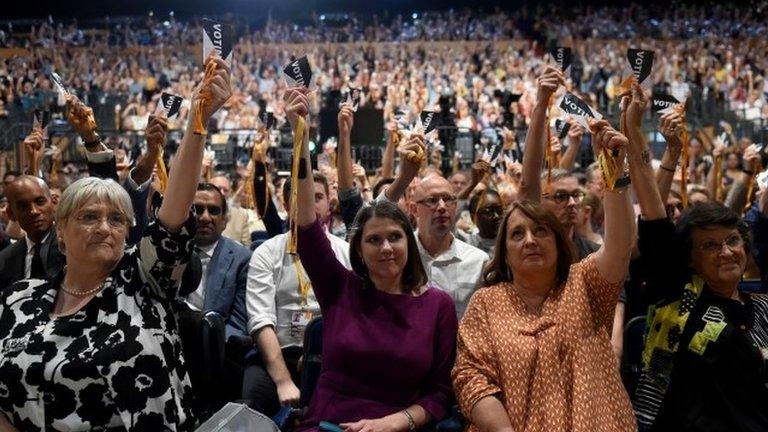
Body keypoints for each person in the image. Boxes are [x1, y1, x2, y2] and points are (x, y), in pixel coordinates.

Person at [0, 54, 232, 430]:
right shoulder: (17, 300)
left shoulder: (144, 282)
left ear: (130, 231)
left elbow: (173, 214)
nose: (105, 227)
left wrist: (197, 121)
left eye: (117, 219)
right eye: (89, 217)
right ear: (60, 231)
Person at [287, 86, 457, 431]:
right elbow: (306, 227)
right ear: (359, 250)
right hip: (327, 425)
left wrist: (393, 422)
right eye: (374, 240)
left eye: (394, 237)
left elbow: (440, 394)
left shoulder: (438, 306)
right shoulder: (340, 288)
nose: (386, 248)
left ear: (408, 242)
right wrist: (300, 139)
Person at [452, 118, 637, 432]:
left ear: (558, 242)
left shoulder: (585, 282)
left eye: (540, 231)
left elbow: (619, 246)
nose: (530, 240)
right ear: (504, 252)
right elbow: (470, 379)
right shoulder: (486, 302)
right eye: (517, 234)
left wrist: (615, 177)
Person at [618, 83, 768, 431]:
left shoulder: (762, 307)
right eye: (710, 246)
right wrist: (636, 132)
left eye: (732, 240)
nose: (727, 251)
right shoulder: (678, 293)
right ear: (687, 258)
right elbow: (653, 213)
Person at [244, 173, 351, 414]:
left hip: (332, 354)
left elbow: (351, 315)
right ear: (285, 205)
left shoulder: (346, 252)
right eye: (300, 197)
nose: (308, 204)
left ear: (328, 203)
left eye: (317, 197)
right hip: (277, 354)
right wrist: (282, 381)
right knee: (254, 396)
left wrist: (320, 352)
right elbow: (261, 321)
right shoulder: (266, 253)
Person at [410, 173, 489, 317]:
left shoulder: (478, 262)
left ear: (456, 206)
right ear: (414, 210)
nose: (441, 207)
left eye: (447, 200)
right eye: (432, 200)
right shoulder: (400, 256)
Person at [183, 182, 250, 338]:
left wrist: (210, 345)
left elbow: (238, 324)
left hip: (218, 349)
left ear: (224, 220)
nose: (205, 217)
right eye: (197, 210)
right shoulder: (171, 251)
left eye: (213, 211)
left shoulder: (242, 259)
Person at [0, 175, 61, 293]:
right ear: (11, 214)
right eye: (23, 206)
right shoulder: (4, 260)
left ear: (53, 203)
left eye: (40, 202)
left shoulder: (73, 248)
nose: (34, 211)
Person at [210, 175, 253, 245]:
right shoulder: (196, 212)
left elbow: (246, 246)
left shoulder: (241, 215)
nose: (222, 193)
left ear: (230, 193)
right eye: (218, 188)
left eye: (225, 190)